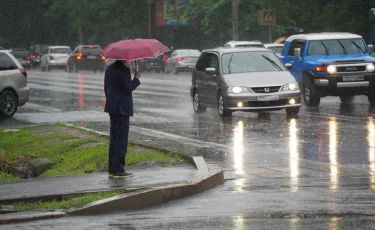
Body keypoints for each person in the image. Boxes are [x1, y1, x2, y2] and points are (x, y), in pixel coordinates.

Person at [104, 60, 141, 178]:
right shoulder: (124, 70)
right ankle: (119, 169)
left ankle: (112, 168)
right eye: (129, 60)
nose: (130, 62)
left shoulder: (109, 68)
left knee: (114, 138)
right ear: (124, 59)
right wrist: (137, 79)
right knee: (121, 139)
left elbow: (106, 87)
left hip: (112, 107)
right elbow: (128, 88)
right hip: (122, 109)